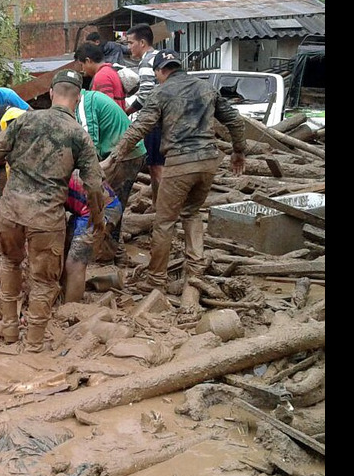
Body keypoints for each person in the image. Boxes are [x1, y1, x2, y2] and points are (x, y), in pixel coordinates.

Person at [0, 69, 106, 353]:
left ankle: (9, 329)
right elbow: (94, 184)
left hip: (11, 212)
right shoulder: (78, 135)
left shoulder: (24, 120)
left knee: (11, 265)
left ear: (51, 93)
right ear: (78, 99)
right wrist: (98, 219)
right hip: (46, 218)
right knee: (43, 281)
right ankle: (34, 343)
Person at [102, 49, 247, 294]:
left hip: (181, 163)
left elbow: (140, 127)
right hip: (208, 162)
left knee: (165, 222)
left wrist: (113, 157)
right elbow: (234, 120)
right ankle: (196, 270)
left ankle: (156, 278)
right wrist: (238, 152)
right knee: (191, 213)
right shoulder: (206, 88)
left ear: (160, 71)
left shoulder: (161, 91)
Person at [72, 83, 146, 261]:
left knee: (109, 202)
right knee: (112, 201)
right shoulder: (90, 99)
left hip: (123, 156)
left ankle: (112, 253)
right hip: (125, 153)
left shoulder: (84, 103)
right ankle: (111, 250)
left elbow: (89, 142)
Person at [63, 172, 123, 303]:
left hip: (101, 210)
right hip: (85, 207)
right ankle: (64, 295)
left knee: (75, 262)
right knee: (65, 251)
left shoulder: (44, 181)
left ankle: (69, 308)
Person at [123, 23, 164, 205]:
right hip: (171, 117)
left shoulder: (147, 62)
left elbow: (146, 94)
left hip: (156, 121)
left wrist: (126, 112)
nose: (129, 47)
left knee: (156, 167)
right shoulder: (160, 57)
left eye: (131, 43)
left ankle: (161, 207)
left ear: (142, 42)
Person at [75, 41, 127, 110]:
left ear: (88, 61)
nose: (83, 69)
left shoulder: (102, 76)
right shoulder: (109, 70)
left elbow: (107, 109)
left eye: (82, 65)